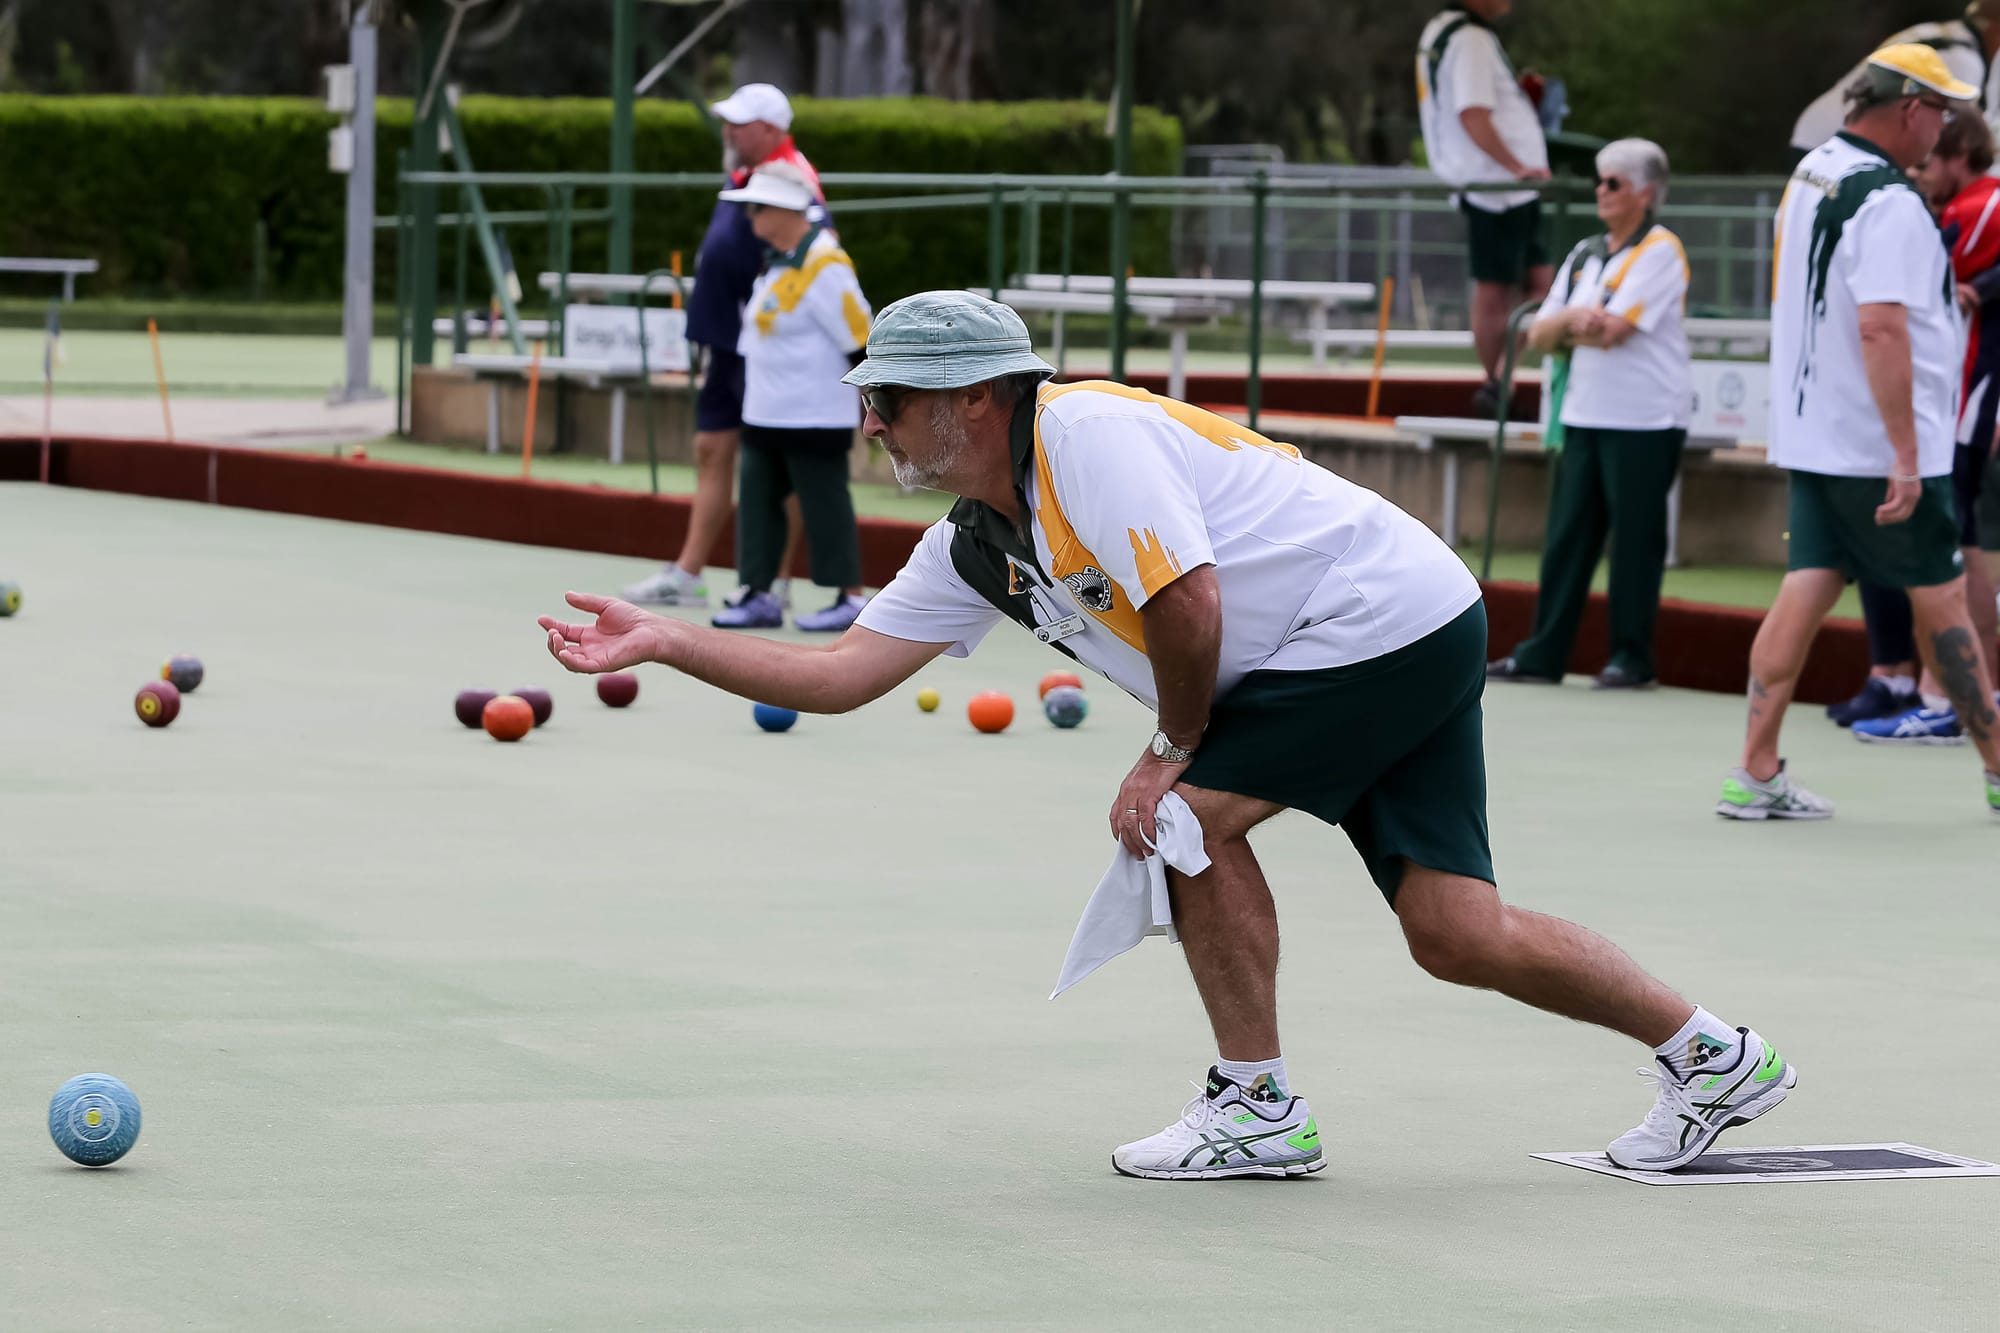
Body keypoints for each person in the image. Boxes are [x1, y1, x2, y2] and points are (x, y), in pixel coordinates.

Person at [540, 291, 1798, 1180]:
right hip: (1387, 630)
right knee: (1455, 933)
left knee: (1177, 820)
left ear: (971, 400)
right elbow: (839, 673)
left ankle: (1255, 1109)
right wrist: (669, 642)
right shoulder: (976, 539)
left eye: (889, 402)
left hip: (1372, 622)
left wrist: (1170, 746)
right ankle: (1714, 1055)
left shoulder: (1085, 433)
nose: (871, 424)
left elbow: (1187, 599)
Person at [1721, 44, 2000, 821]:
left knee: (1806, 587)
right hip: (1880, 448)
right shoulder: (1891, 204)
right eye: (1941, 113)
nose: (1944, 132)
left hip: (1818, 437)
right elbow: (1882, 328)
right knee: (1944, 605)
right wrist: (1908, 456)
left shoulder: (1814, 172)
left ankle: (1754, 768)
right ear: (1910, 109)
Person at [1486, 139, 1691, 690]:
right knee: (1567, 538)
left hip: (1645, 420)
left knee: (1635, 543)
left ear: (1645, 193)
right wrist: (1580, 321)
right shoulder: (1583, 254)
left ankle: (1631, 657)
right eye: (1599, 182)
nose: (1600, 192)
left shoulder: (1661, 251)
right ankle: (1542, 654)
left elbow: (1614, 332)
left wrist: (1572, 326)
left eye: (1614, 183)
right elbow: (1537, 332)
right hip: (1583, 414)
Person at [623, 83, 825, 611]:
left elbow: (810, 257)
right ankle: (688, 573)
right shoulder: (742, 175)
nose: (729, 130)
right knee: (711, 450)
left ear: (773, 131)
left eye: (741, 122)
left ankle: (773, 584)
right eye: (728, 120)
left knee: (779, 465)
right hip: (727, 345)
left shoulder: (794, 179)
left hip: (766, 351)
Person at [1851, 110, 2000, 742]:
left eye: (1930, 160)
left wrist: (1972, 288)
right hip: (1967, 395)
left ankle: (1956, 700)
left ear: (1959, 151)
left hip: (1976, 394)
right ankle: (1961, 697)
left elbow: (1937, 279)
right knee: (1962, 541)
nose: (1921, 173)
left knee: (1960, 544)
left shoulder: (1984, 201)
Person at [709, 163, 871, 632]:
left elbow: (858, 338)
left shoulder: (825, 263)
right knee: (757, 504)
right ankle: (758, 594)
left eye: (757, 208)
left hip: (814, 414)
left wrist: (878, 402)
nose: (750, 218)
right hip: (765, 412)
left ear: (783, 211)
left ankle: (849, 596)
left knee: (825, 503)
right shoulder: (776, 262)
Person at [1415, 0, 1553, 417]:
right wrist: (1517, 167)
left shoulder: (1445, 30)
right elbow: (1472, 113)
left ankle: (1501, 378)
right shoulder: (1469, 37)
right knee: (1496, 290)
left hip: (1497, 186)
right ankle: (1495, 385)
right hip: (1497, 189)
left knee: (1541, 284)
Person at [1790, 4, 2000, 159]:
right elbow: (1961, 129)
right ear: (1995, 30)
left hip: (1819, 133)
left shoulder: (1939, 32)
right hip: (1835, 140)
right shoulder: (1963, 58)